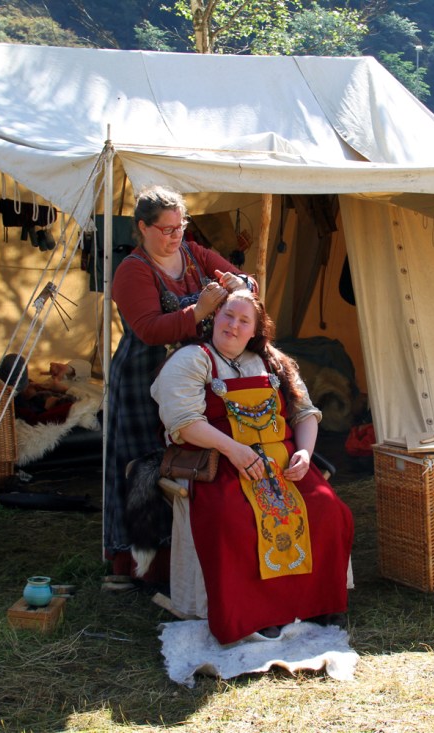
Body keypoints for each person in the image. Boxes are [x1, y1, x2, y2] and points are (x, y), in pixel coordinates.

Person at [151, 290, 353, 644]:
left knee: (327, 509)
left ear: (256, 330)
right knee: (235, 518)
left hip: (282, 465)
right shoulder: (192, 360)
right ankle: (257, 614)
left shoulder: (273, 363)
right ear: (214, 316)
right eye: (228, 315)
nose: (233, 325)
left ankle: (314, 604)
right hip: (221, 462)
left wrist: (304, 454)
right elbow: (183, 422)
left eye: (244, 321)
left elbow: (305, 413)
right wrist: (234, 451)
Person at [106, 186, 254, 581]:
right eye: (166, 229)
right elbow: (150, 329)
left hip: (189, 376)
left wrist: (238, 288)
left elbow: (244, 281)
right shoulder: (132, 270)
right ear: (142, 227)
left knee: (185, 461)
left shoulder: (194, 254)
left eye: (180, 226)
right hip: (142, 376)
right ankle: (140, 563)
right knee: (143, 467)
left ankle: (186, 557)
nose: (175, 236)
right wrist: (201, 309)